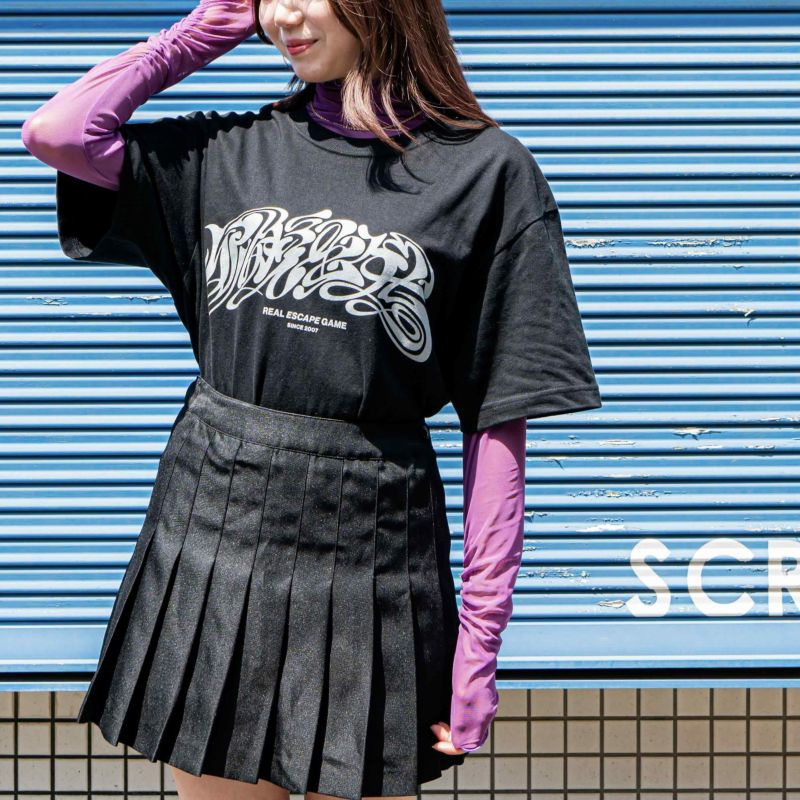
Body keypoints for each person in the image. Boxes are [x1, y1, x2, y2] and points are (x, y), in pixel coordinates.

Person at [21, 0, 603, 798]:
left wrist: (480, 644)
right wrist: (201, 32)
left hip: (372, 545)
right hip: (214, 524)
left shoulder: (487, 174)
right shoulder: (230, 151)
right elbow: (59, 132)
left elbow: (498, 424)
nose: (283, 17)